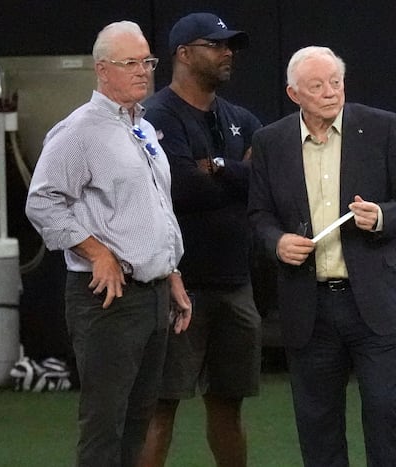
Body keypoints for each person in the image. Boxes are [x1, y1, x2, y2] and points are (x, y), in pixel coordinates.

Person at [248, 45, 396, 467]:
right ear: (294, 94)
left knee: (385, 412)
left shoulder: (381, 127)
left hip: (378, 301)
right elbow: (258, 215)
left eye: (336, 82)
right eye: (317, 86)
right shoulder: (270, 142)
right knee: (317, 424)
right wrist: (277, 242)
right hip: (309, 306)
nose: (330, 92)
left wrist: (381, 216)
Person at [24, 21, 192, 467]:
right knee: (105, 427)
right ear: (102, 70)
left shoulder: (143, 127)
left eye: (147, 61)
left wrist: (171, 271)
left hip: (153, 294)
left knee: (138, 422)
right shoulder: (79, 131)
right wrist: (97, 252)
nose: (143, 71)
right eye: (130, 63)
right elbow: (41, 201)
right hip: (107, 300)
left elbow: (156, 208)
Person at [136, 12, 262, 467]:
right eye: (216, 45)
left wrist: (218, 168)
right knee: (159, 407)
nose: (227, 53)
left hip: (234, 281)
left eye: (230, 46)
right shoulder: (156, 115)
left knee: (229, 404)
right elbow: (182, 188)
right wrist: (234, 174)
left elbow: (263, 183)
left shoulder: (241, 118)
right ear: (184, 54)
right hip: (175, 284)